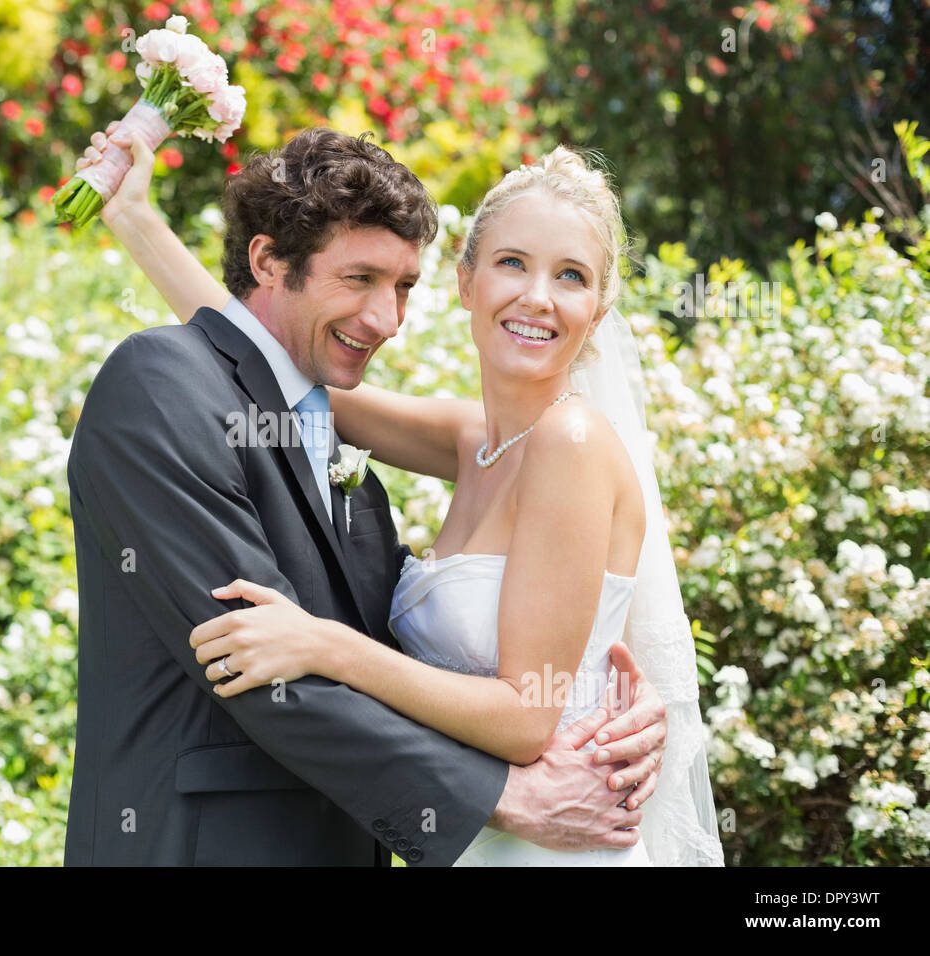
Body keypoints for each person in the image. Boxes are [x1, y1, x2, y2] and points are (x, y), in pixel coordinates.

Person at [63, 125, 674, 867]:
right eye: (513, 263)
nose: (538, 298)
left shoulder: (569, 441)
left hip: (555, 834)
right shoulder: (471, 441)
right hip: (478, 838)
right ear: (468, 280)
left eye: (572, 276)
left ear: (601, 309)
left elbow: (525, 716)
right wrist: (135, 219)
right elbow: (258, 351)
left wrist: (326, 644)